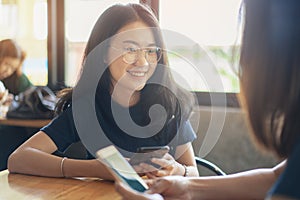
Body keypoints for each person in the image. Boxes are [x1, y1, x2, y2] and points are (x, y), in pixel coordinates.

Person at [114, 0, 300, 199]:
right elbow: (278, 177)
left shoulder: (169, 105)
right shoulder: (81, 106)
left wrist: (182, 174)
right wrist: (187, 187)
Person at [7, 3, 199, 179]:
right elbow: (18, 158)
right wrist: (96, 169)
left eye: (150, 51)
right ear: (103, 53)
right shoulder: (88, 109)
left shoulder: (167, 103)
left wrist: (178, 170)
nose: (143, 62)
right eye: (131, 49)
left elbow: (193, 173)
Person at [0, 39, 33, 171]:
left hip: (11, 125)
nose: (8, 70)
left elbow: (30, 100)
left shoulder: (19, 79)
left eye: (12, 67)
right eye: (6, 64)